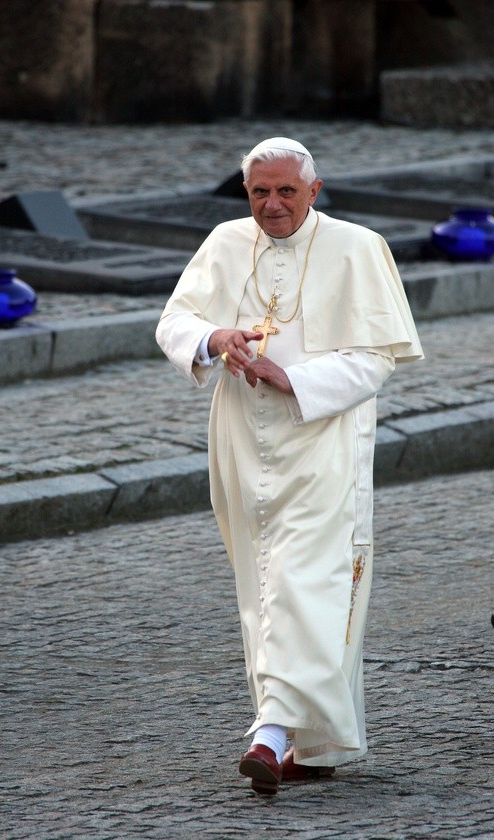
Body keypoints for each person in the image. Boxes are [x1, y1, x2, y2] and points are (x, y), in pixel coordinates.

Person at [156, 137, 423, 796]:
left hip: (320, 435)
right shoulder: (223, 242)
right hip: (240, 438)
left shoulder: (357, 247)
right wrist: (212, 339)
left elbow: (377, 358)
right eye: (258, 193)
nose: (270, 206)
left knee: (307, 581)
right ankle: (319, 744)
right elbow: (174, 321)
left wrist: (293, 379)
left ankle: (270, 735)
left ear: (314, 190)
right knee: (263, 585)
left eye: (284, 192)